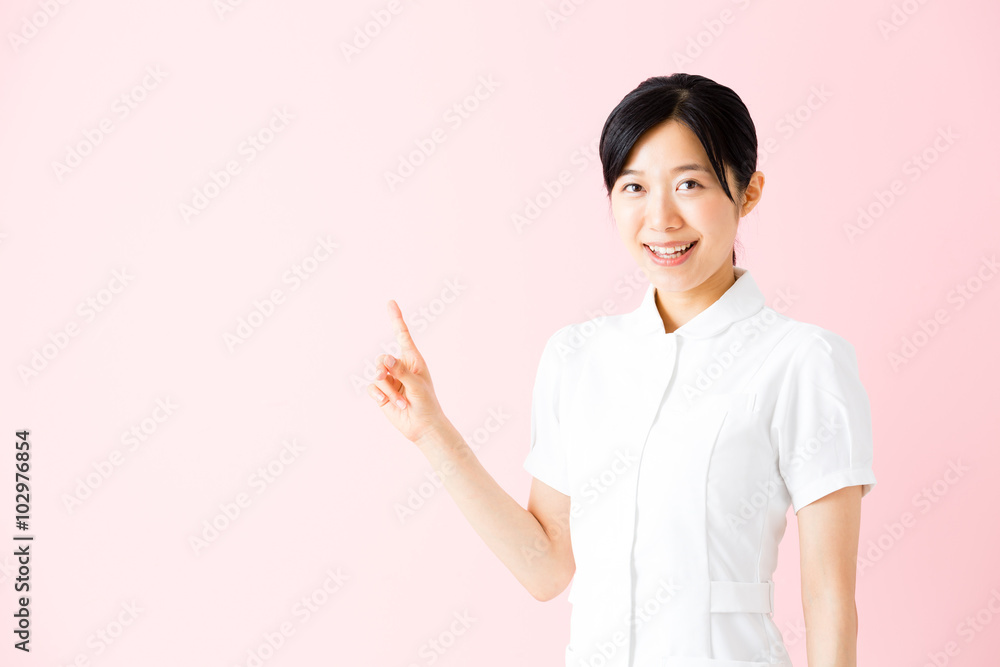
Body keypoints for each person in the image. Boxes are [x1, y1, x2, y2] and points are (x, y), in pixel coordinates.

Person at [368, 73, 877, 667]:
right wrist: (432, 431)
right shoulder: (576, 357)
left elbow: (829, 596)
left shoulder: (802, 361)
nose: (660, 218)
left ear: (749, 191)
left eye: (690, 183)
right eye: (633, 186)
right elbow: (547, 567)